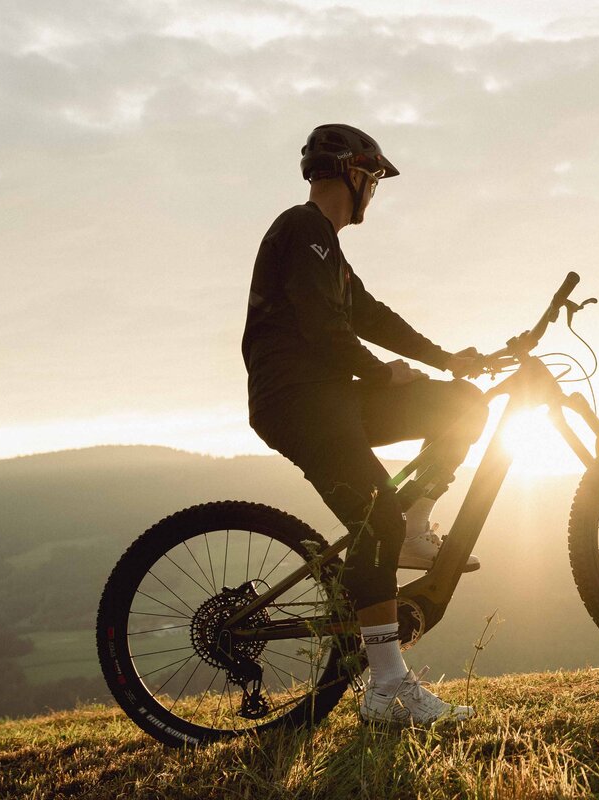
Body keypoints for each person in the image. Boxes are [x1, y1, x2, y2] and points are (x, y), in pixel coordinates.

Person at [241, 123, 487, 725]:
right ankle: (386, 689)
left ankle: (412, 524)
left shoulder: (326, 247)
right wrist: (381, 377)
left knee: (463, 402)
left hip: (334, 398)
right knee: (374, 515)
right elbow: (325, 328)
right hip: (298, 402)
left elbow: (371, 316)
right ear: (351, 173)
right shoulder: (301, 229)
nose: (374, 192)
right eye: (373, 178)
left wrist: (447, 360)